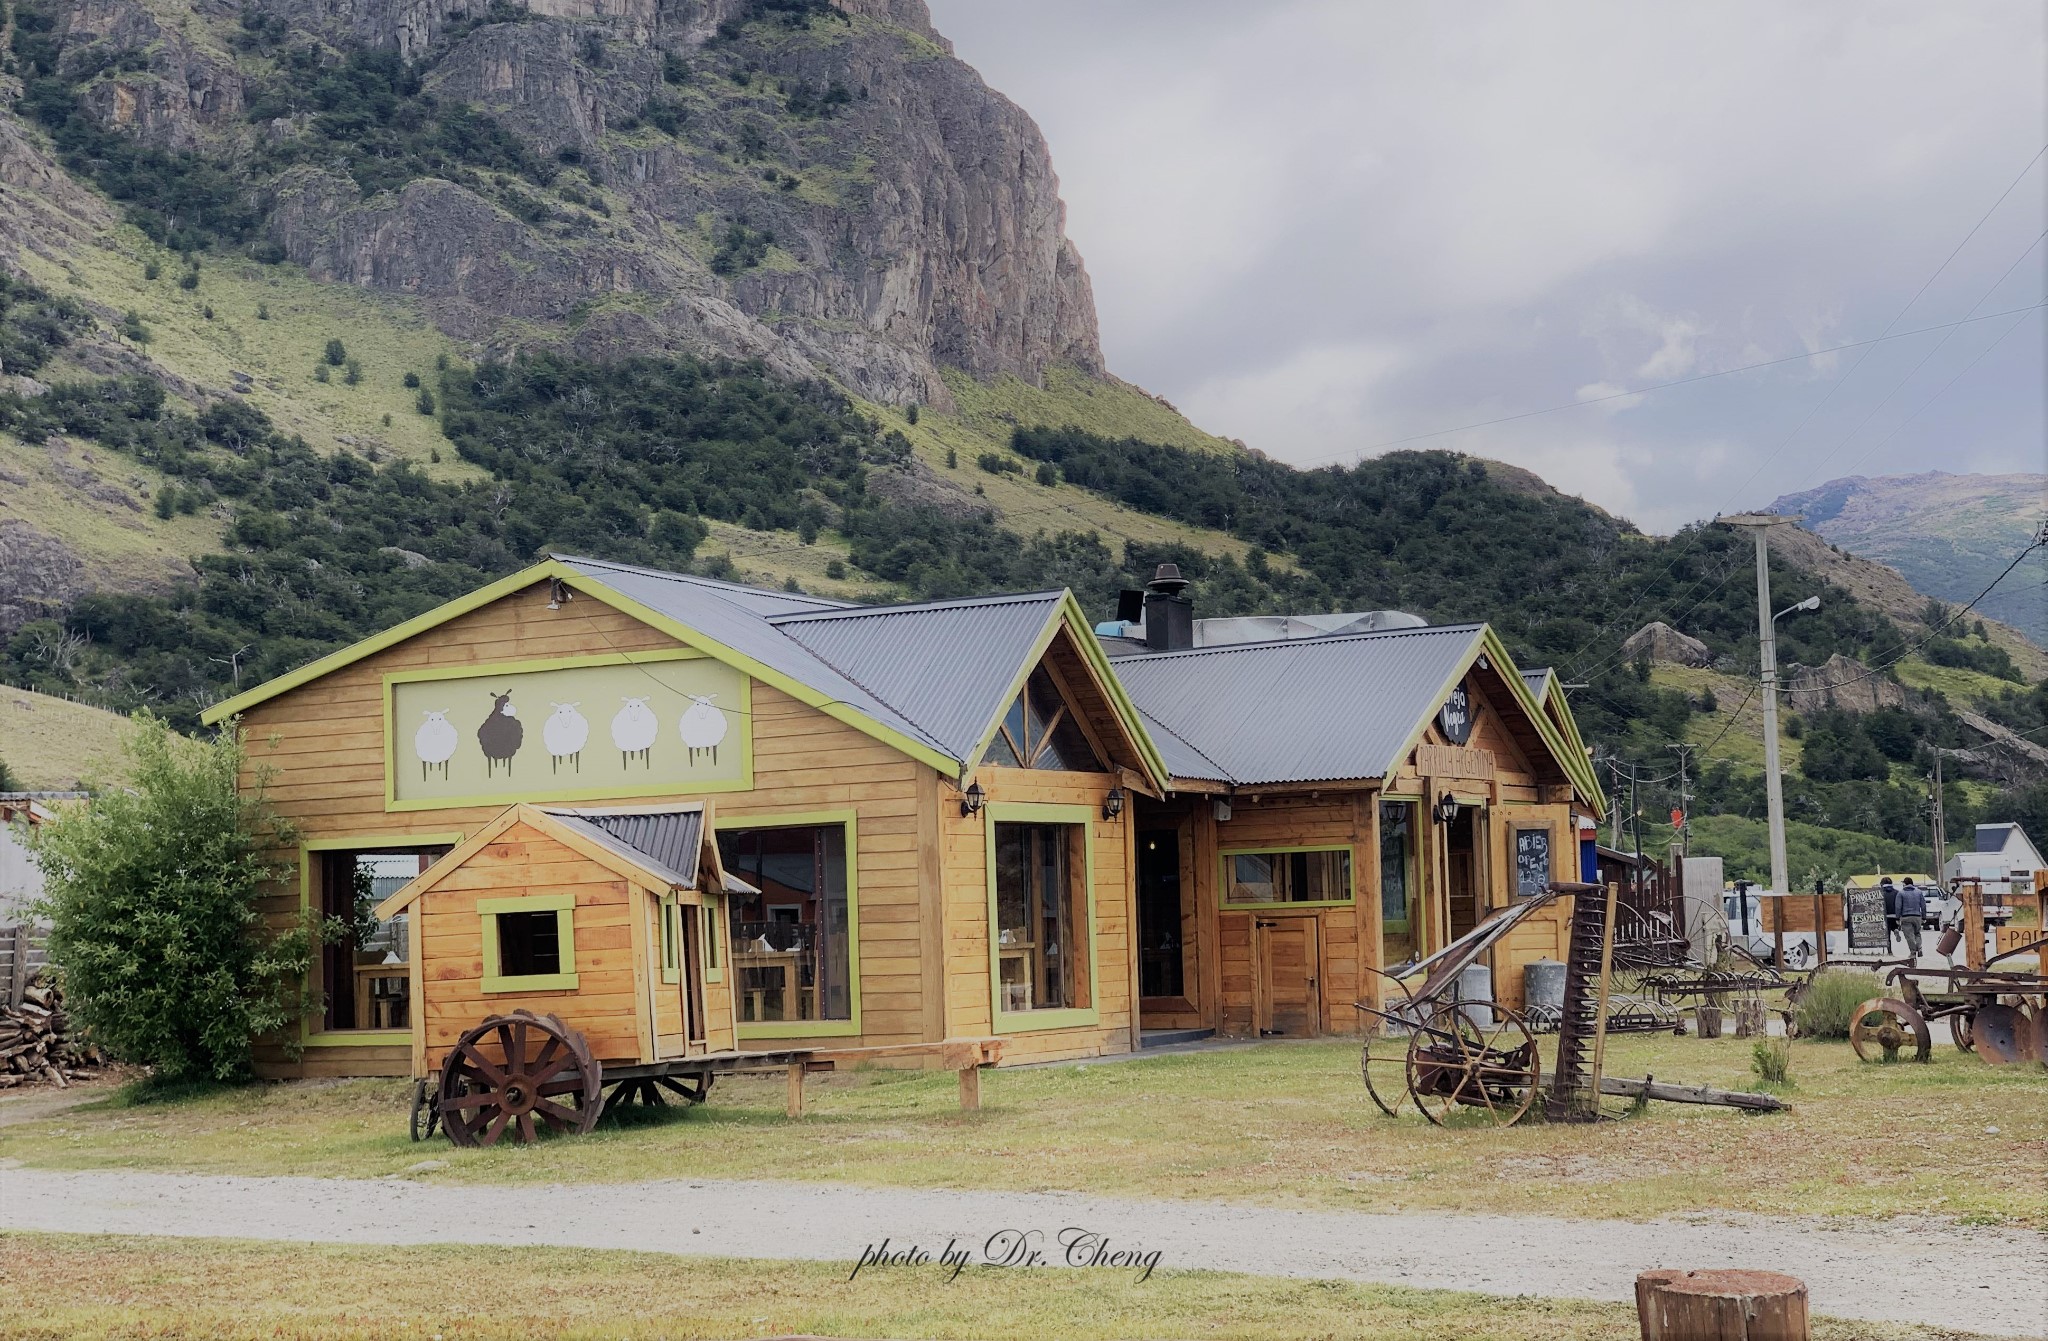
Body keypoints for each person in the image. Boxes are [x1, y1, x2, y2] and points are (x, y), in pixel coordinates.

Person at [1896, 877, 1927, 959]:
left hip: (1906, 917)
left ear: (1904, 884)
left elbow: (1898, 907)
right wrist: (1924, 917)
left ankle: (1913, 952)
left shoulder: (1901, 893)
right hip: (1917, 916)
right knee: (1917, 933)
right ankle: (1919, 948)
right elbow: (1923, 905)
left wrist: (1897, 918)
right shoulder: (1919, 892)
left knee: (1909, 936)